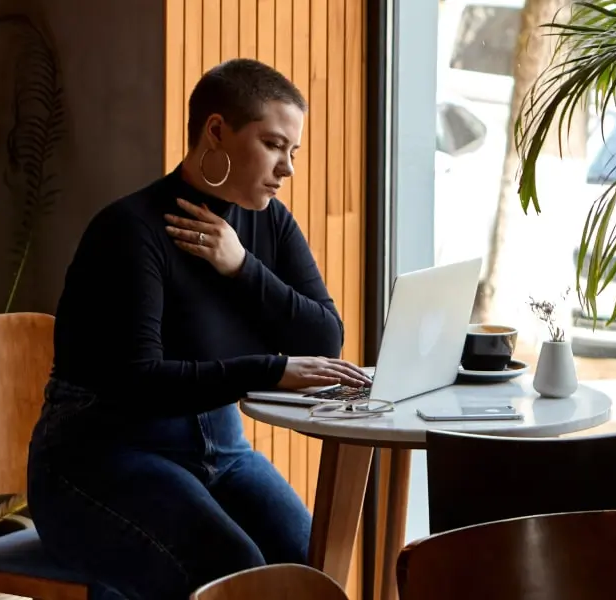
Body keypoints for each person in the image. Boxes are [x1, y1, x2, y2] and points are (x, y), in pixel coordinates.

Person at [25, 58, 371, 600]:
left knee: (310, 568)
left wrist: (241, 267)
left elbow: (324, 337)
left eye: (293, 152)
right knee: (230, 567)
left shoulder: (268, 220)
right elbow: (140, 381)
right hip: (99, 457)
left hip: (221, 451)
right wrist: (270, 370)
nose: (288, 169)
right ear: (216, 131)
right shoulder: (129, 231)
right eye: (275, 145)